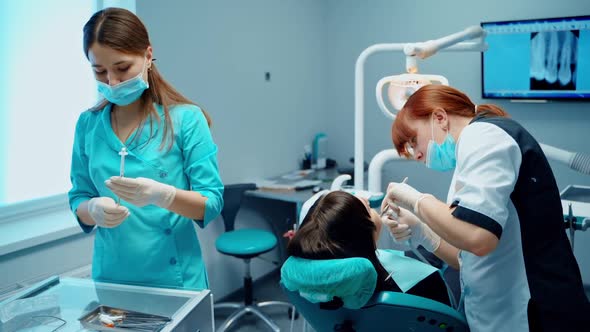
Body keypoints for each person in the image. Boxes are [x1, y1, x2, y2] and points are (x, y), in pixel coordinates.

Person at [382, 84, 590, 331]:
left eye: (414, 141)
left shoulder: (484, 137)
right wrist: (421, 231)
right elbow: (467, 258)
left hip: (532, 313)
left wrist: (416, 200)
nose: (415, 154)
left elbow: (478, 239)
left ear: (439, 118)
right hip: (500, 315)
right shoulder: (471, 150)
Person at [68, 8, 223, 291]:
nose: (112, 82)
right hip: (111, 279)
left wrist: (163, 195)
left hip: (176, 281)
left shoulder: (186, 119)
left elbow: (211, 203)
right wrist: (92, 208)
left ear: (148, 56)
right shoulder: (87, 126)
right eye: (99, 71)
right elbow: (79, 196)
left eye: (122, 68)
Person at [287, 190, 451, 305]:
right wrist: (422, 230)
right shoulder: (424, 282)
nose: (365, 199)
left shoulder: (316, 286)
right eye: (368, 208)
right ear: (364, 233)